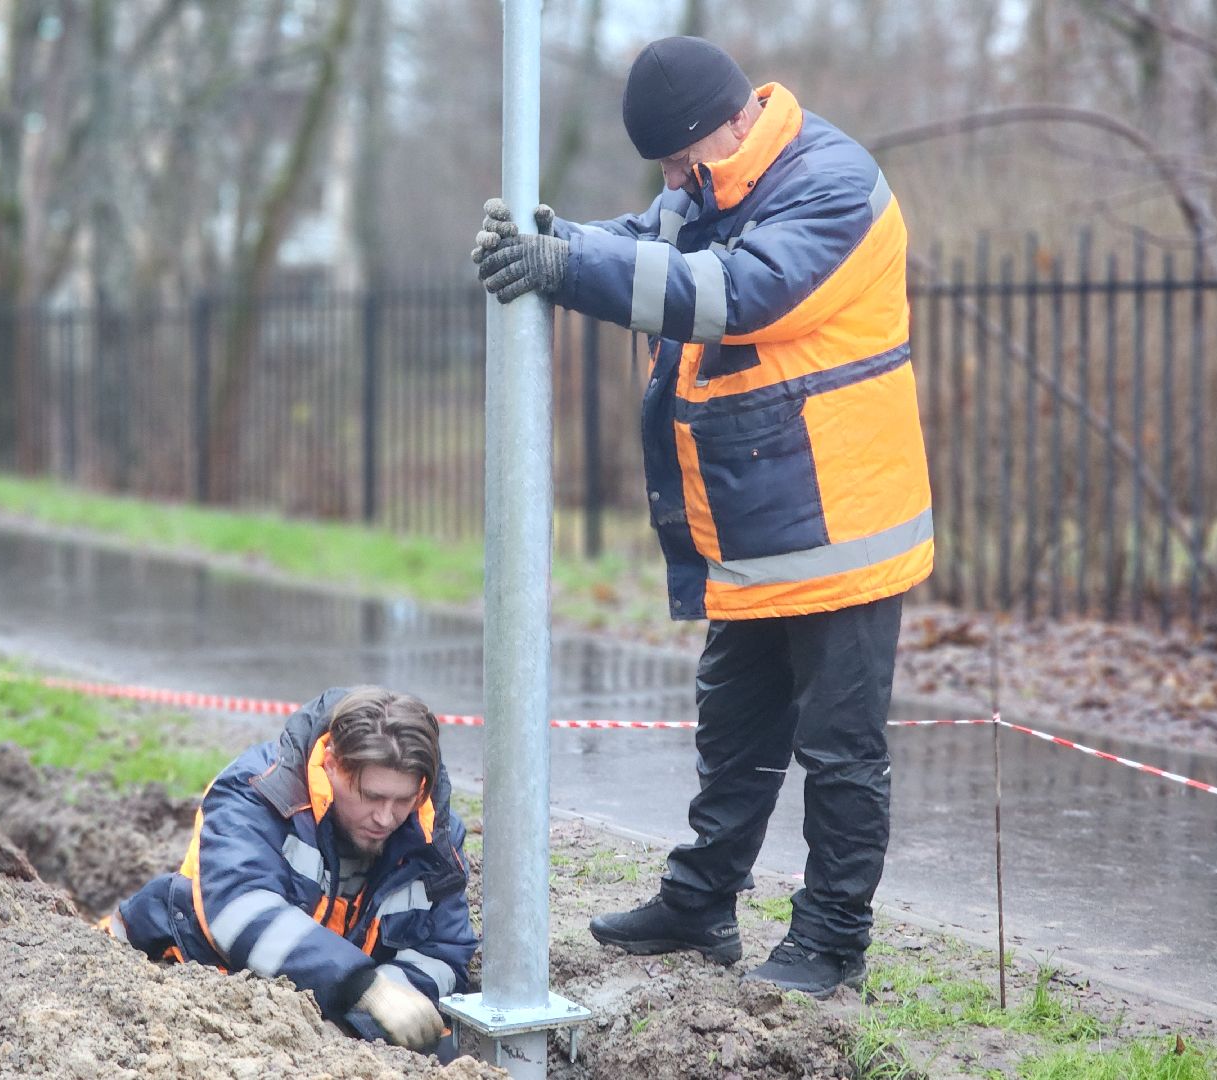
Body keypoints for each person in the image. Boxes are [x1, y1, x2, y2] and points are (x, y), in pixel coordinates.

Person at [472, 36, 932, 997]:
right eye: (669, 169)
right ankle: (701, 903)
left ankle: (832, 939)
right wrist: (567, 238)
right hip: (761, 526)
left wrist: (566, 268)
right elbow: (653, 241)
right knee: (734, 726)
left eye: (682, 162)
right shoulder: (717, 176)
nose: (676, 180)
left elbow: (734, 293)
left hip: (842, 526)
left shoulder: (832, 184)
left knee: (841, 753)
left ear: (732, 122)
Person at [100, 686, 476, 1051]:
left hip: (322, 1014)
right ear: (330, 764)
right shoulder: (257, 791)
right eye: (371, 796)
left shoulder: (434, 833)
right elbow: (238, 907)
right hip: (173, 980)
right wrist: (364, 989)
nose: (385, 817)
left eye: (402, 800)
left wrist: (366, 1016)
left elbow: (444, 950)